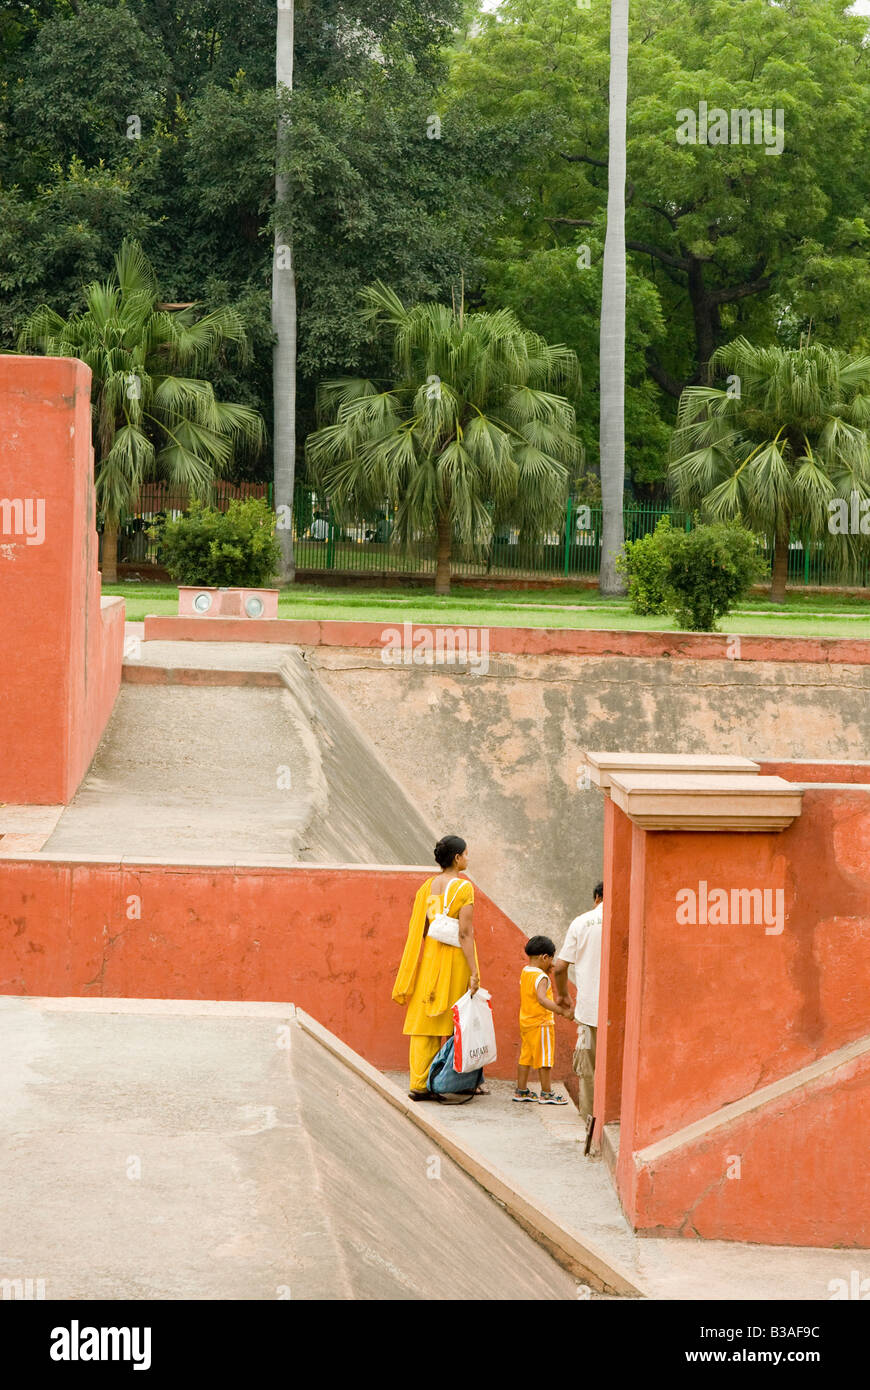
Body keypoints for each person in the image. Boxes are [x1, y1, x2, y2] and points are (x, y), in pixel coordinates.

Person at [391, 834, 481, 1102]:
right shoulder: (464, 888)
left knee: (425, 1019)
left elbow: (426, 928)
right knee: (461, 1019)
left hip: (431, 958)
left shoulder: (427, 887)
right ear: (456, 858)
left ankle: (419, 1084)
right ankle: (455, 1081)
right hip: (455, 960)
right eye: (466, 854)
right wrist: (474, 971)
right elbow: (465, 934)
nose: (468, 858)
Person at [553, 882, 604, 1130]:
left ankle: (590, 1128)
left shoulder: (581, 922)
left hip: (589, 1011)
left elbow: (560, 966)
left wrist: (563, 995)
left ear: (596, 897)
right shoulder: (628, 919)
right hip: (622, 1015)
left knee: (589, 1072)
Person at [513, 935, 573, 1105]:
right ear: (544, 957)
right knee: (545, 1060)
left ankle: (521, 1090)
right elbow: (542, 999)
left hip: (526, 1021)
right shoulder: (542, 977)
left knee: (525, 1057)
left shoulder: (526, 972)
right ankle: (546, 1093)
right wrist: (562, 1011)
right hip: (542, 1022)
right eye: (551, 959)